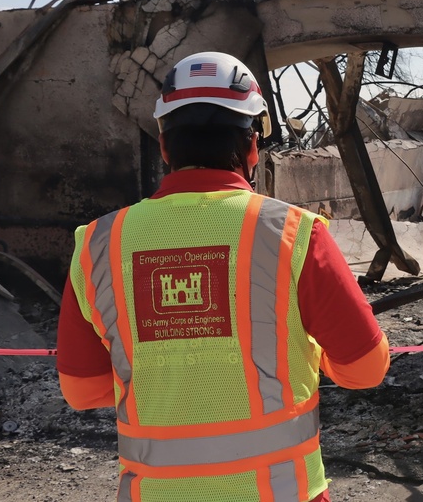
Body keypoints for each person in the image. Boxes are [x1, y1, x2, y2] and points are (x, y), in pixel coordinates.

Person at [56, 51, 389, 502]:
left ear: (164, 145)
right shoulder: (295, 234)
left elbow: (82, 390)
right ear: (252, 145)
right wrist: (310, 355)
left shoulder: (98, 244)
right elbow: (366, 369)